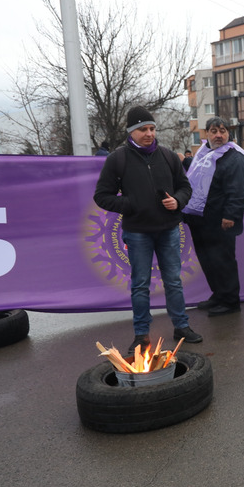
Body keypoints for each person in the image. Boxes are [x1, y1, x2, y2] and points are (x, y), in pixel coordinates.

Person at [93, 106, 203, 352]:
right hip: (138, 232)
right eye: (143, 129)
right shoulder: (117, 159)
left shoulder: (168, 156)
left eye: (152, 129)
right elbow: (101, 196)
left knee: (173, 281)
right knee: (140, 284)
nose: (149, 133)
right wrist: (130, 204)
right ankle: (142, 334)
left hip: (169, 230)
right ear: (131, 132)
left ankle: (181, 326)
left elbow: (185, 187)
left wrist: (178, 201)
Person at [182, 116, 244, 317]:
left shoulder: (236, 157)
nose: (219, 135)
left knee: (223, 260)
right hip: (201, 219)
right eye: (214, 131)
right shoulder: (203, 155)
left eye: (222, 131)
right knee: (208, 260)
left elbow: (240, 191)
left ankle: (230, 301)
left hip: (221, 221)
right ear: (206, 134)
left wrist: (230, 214)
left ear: (228, 134)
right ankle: (218, 294)